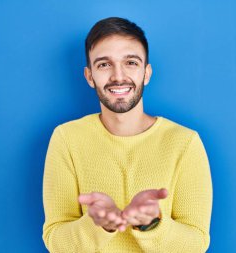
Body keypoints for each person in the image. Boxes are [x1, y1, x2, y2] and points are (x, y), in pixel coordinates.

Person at [42, 17, 213, 253]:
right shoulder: (66, 138)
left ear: (147, 73)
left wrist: (151, 225)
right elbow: (55, 241)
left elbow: (197, 244)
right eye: (104, 64)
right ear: (89, 76)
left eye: (131, 62)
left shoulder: (185, 143)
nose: (118, 76)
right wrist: (98, 225)